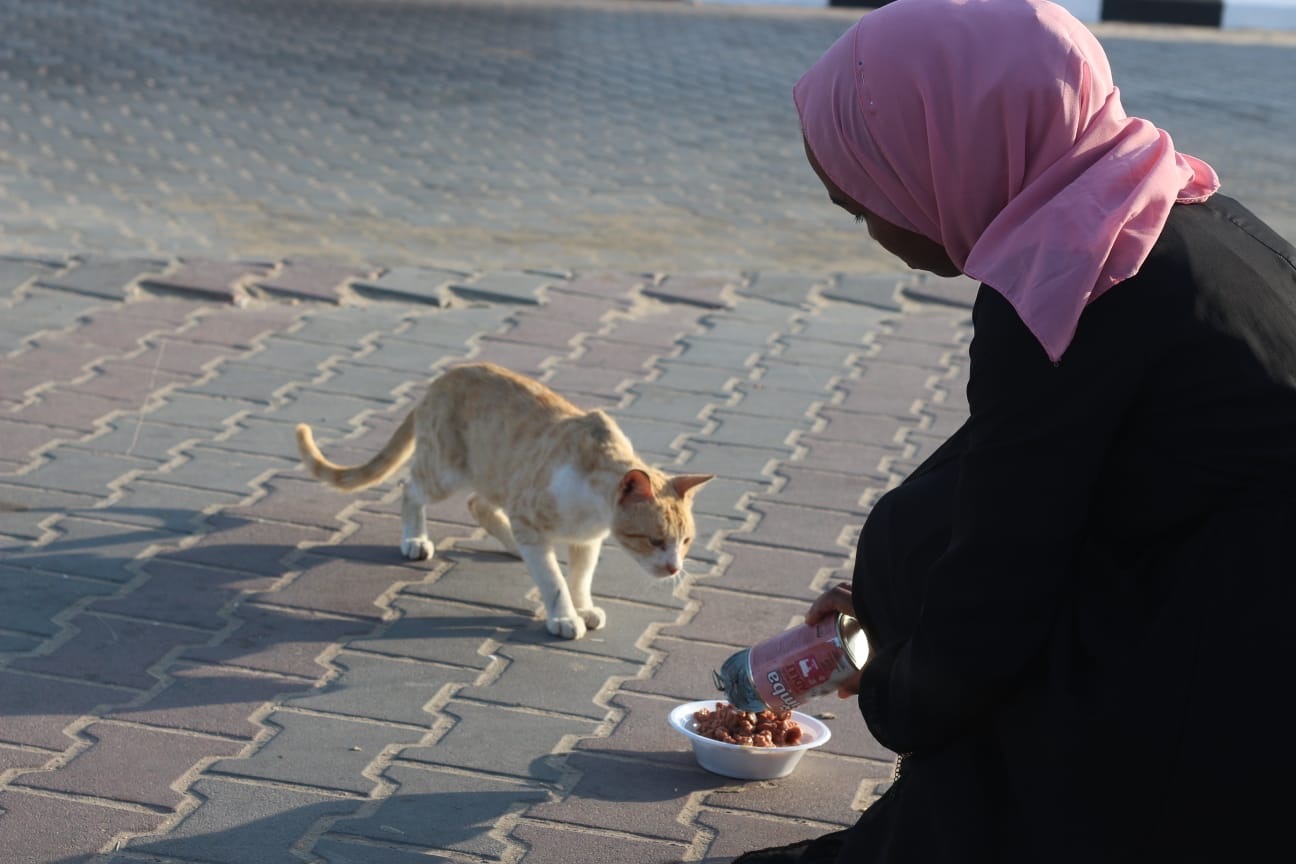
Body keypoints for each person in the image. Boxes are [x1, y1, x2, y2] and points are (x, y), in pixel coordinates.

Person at [734, 1, 1296, 862]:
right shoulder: (1172, 210)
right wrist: (885, 603)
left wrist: (896, 690)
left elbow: (1004, 576)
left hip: (1229, 706)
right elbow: (1015, 469)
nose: (875, 230)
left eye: (865, 200)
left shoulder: (1078, 285)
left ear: (951, 156)